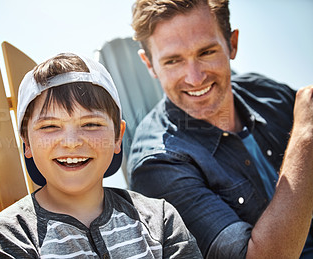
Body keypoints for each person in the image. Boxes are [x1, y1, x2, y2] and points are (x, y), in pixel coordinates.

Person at [127, 0, 313, 258]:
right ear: (149, 64)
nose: (195, 78)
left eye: (206, 52)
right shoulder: (157, 163)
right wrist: (304, 137)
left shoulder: (270, 94)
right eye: (173, 61)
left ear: (232, 43)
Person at [0, 52, 202, 258]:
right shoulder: (12, 234)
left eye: (91, 124)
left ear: (118, 136)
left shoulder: (159, 219)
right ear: (26, 143)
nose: (72, 142)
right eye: (49, 126)